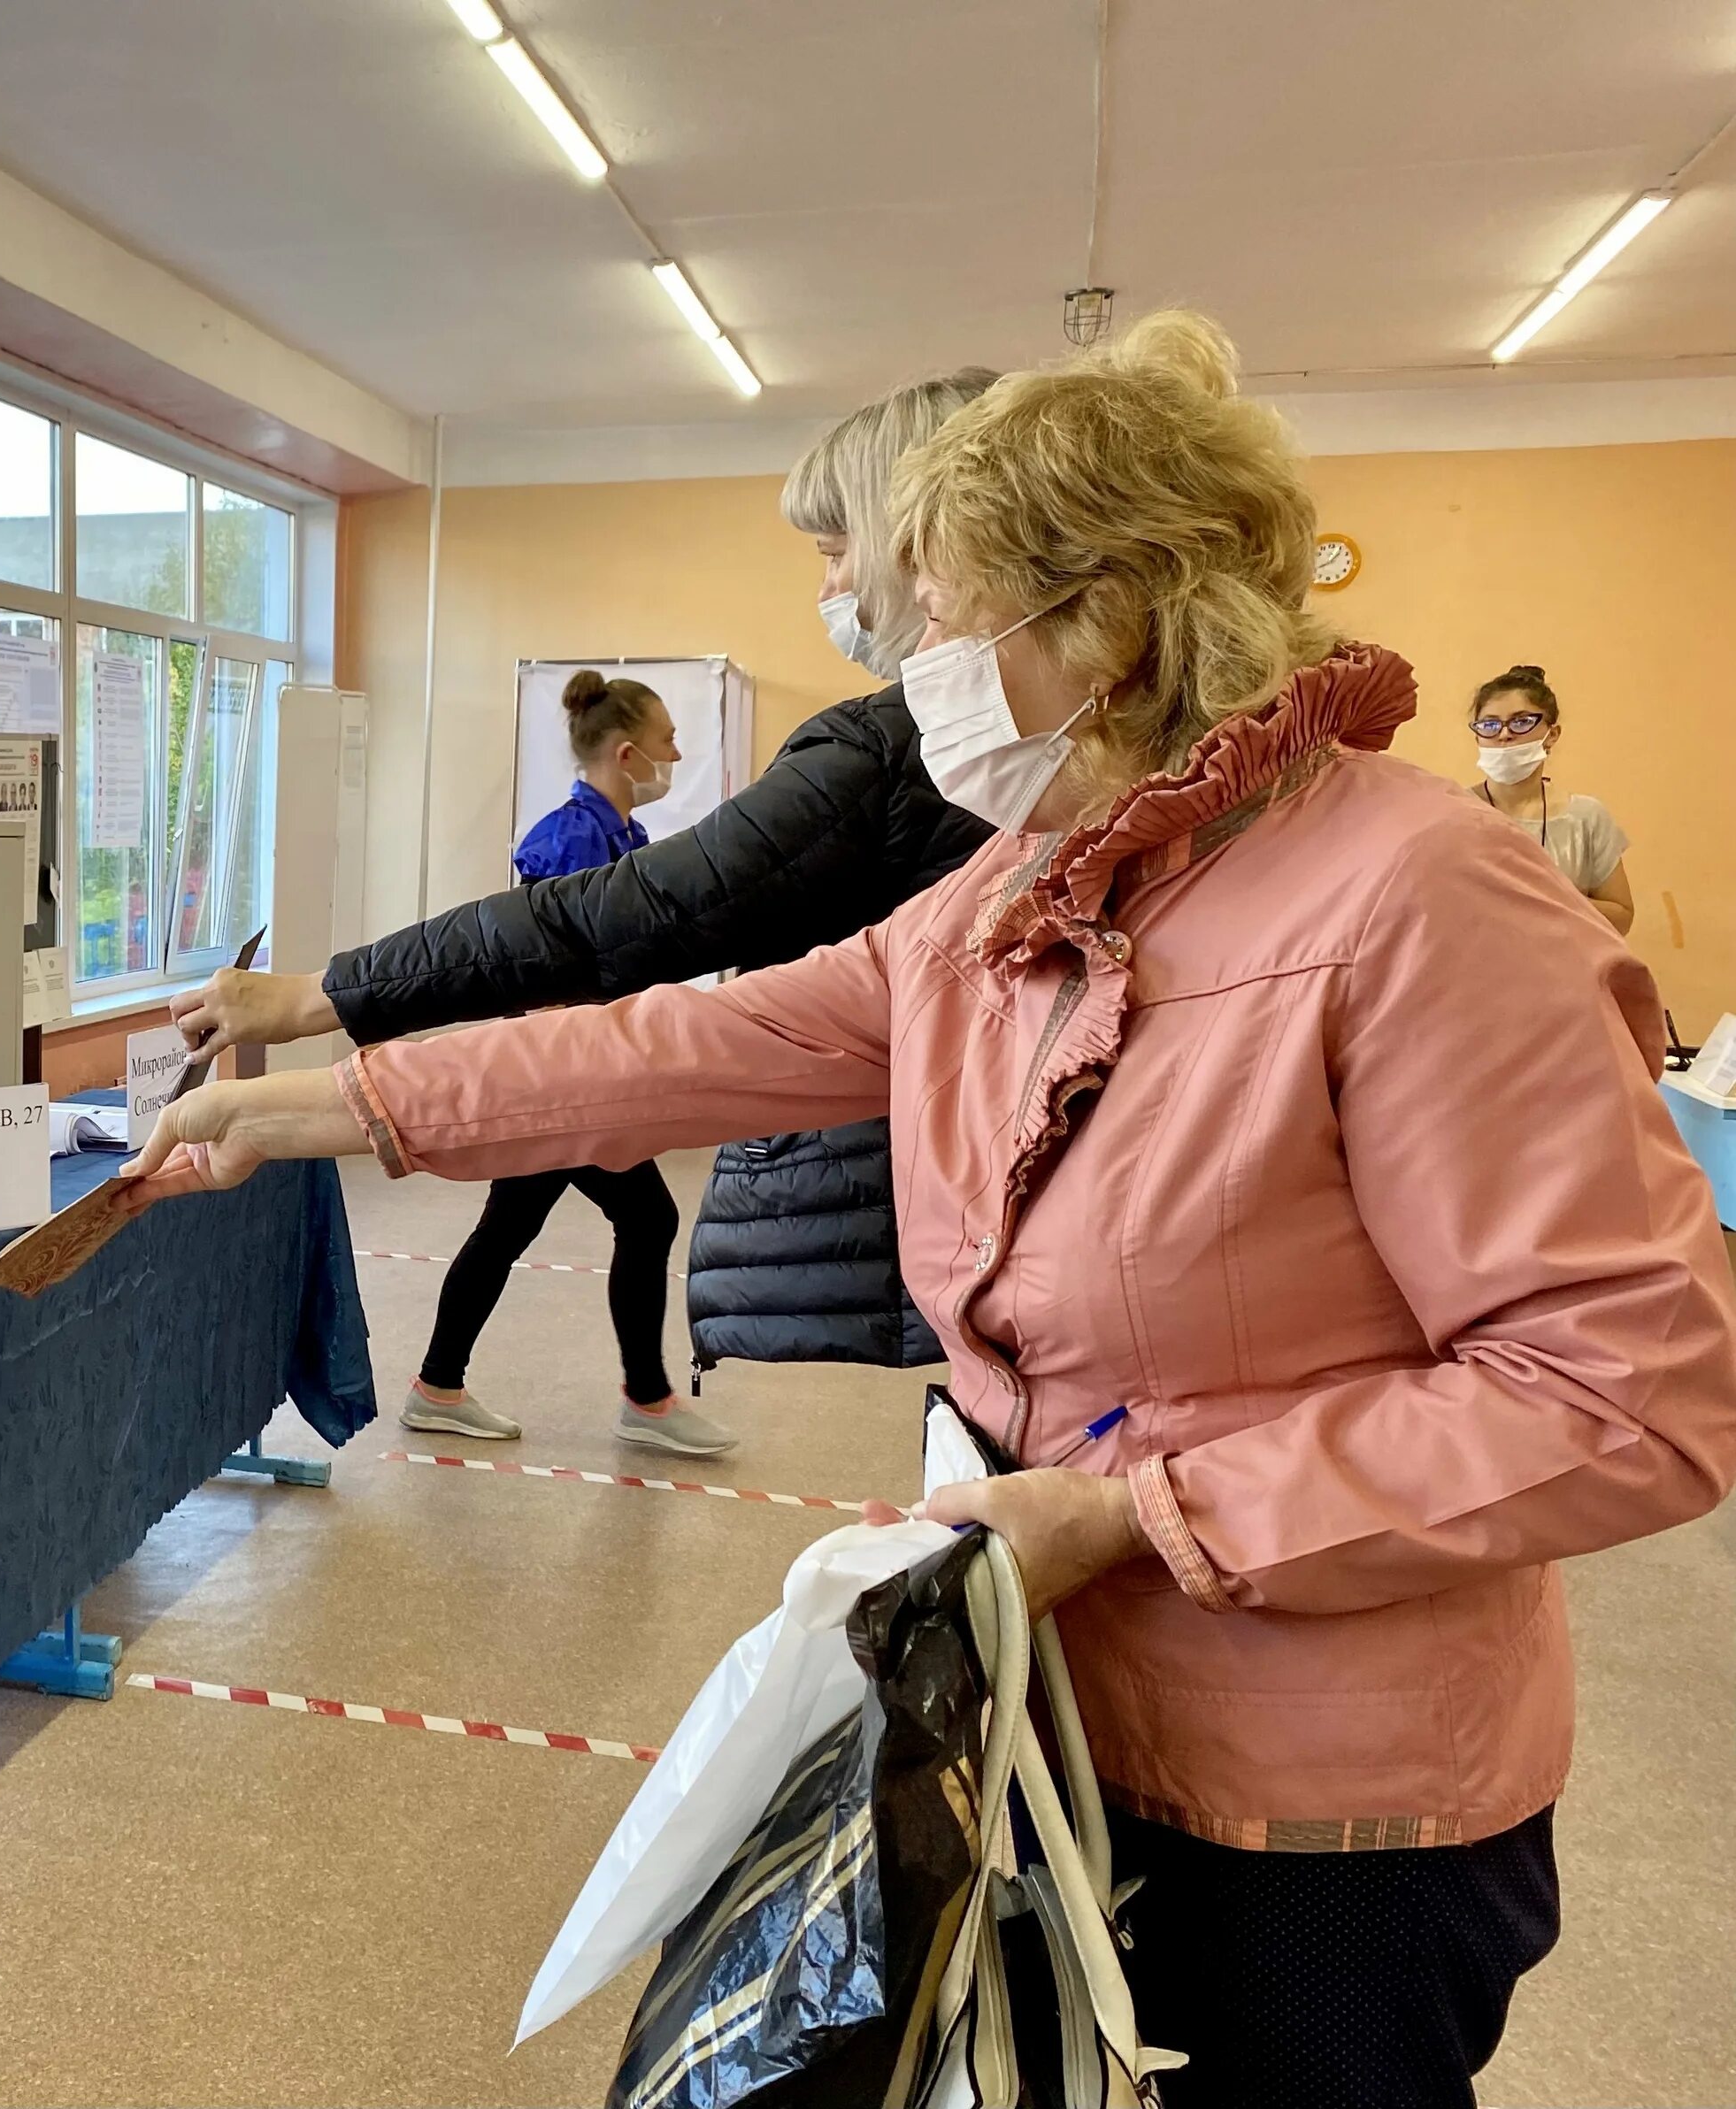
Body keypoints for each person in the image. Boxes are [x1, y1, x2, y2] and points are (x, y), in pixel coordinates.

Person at [121, 313, 1736, 2108]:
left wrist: (1136, 1515)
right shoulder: (1012, 894)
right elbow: (687, 1043)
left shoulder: (1427, 896)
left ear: (1107, 624)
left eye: (949, 623)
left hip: (1328, 1819)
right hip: (1043, 1716)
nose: (917, 677)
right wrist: (326, 1102)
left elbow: (1623, 1394)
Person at [169, 372, 996, 1383]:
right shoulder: (596, 832)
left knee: (605, 1221)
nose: (832, 587)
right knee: (554, 1225)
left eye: (837, 551)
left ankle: (566, 1386)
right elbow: (618, 977)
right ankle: (484, 1382)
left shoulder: (908, 779)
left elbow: (642, 968)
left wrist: (319, 1014)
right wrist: (312, 1050)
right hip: (561, 1060)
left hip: (608, 1079)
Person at [403, 671, 728, 1456]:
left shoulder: (621, 838)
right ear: (625, 753)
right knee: (643, 1216)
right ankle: (643, 1400)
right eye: (667, 741)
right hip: (561, 1074)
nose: (676, 753)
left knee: (523, 1223)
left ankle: (439, 1386)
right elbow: (547, 968)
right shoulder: (572, 841)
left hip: (582, 1070)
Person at [1468, 664, 1632, 933]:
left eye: (1521, 722)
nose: (1504, 734)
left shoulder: (1585, 817)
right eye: (1490, 724)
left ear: (1551, 735)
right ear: (1477, 736)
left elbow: (1621, 919)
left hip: (1567, 971)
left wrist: (1545, 894)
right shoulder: (1454, 812)